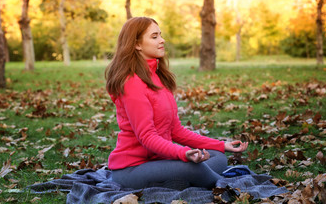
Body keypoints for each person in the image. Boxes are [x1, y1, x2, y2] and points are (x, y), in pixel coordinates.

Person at [105, 17, 248, 190]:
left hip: (158, 161)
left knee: (218, 156)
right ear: (137, 44)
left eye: (161, 35)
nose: (162, 40)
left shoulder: (157, 77)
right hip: (132, 169)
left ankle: (178, 181)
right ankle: (224, 183)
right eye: (154, 36)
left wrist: (220, 144)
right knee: (192, 166)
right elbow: (147, 137)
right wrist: (183, 153)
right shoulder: (132, 83)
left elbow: (176, 131)